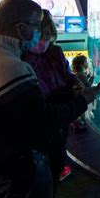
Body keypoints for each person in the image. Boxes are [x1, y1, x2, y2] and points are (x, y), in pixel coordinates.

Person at [0, 0, 97, 198]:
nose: (37, 33)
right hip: (19, 175)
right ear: (21, 28)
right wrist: (82, 101)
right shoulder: (11, 67)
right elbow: (41, 124)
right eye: (35, 26)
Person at [22, 10, 84, 183]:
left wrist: (76, 85)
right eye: (40, 36)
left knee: (59, 143)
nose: (44, 41)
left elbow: (68, 75)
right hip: (43, 112)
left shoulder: (56, 52)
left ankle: (57, 170)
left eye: (48, 36)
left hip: (62, 109)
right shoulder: (23, 59)